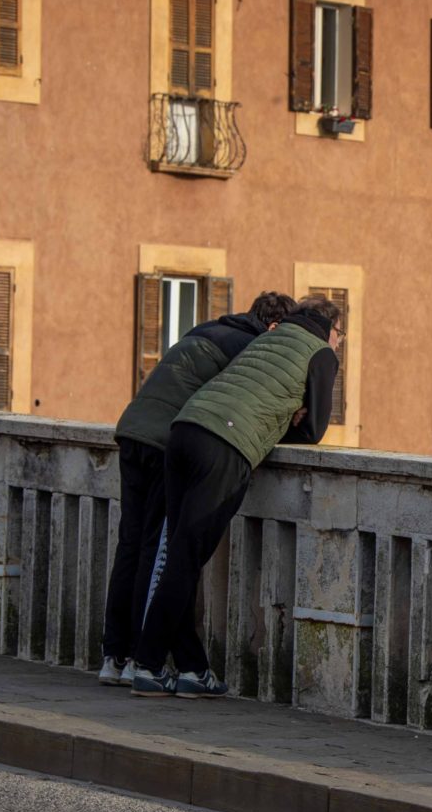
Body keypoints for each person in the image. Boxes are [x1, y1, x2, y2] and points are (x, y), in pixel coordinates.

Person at [130, 294, 342, 698]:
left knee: (180, 557)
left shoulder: (267, 336)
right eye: (340, 336)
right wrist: (287, 421)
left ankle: (192, 669)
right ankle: (148, 664)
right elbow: (314, 430)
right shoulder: (321, 354)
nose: (338, 344)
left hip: (185, 430)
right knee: (185, 559)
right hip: (224, 445)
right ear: (331, 329)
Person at [98, 291, 296, 688]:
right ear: (274, 327)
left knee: (130, 545)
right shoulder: (250, 348)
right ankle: (139, 657)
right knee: (155, 551)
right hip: (164, 441)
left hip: (132, 430)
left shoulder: (208, 329)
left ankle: (113, 656)